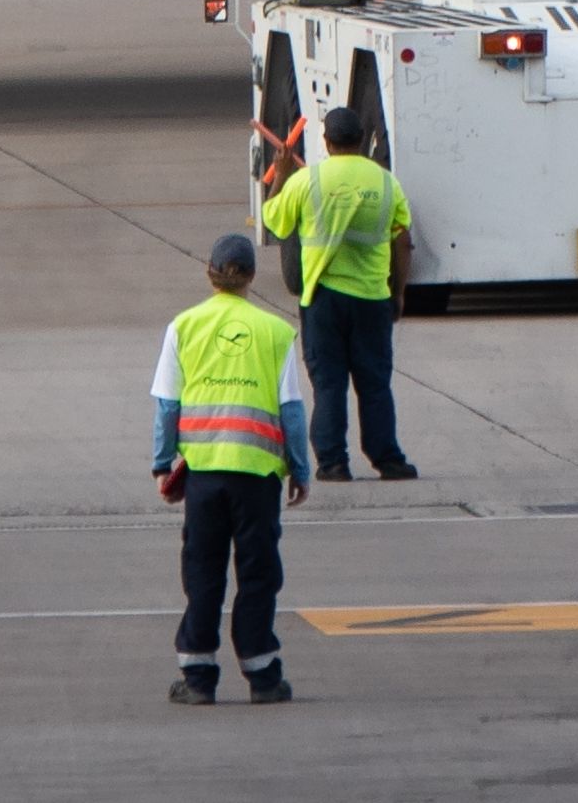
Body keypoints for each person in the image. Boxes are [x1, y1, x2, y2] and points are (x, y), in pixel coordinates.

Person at [151, 229, 310, 705]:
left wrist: (162, 464)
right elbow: (293, 412)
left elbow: (166, 404)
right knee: (258, 573)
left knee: (203, 571)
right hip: (258, 476)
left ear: (209, 274)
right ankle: (262, 674)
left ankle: (198, 676)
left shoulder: (183, 327)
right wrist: (300, 470)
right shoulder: (276, 332)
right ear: (253, 278)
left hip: (203, 474)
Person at [258, 101, 419, 481]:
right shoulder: (385, 181)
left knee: (329, 384)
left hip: (323, 300)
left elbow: (275, 222)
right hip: (371, 298)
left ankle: (333, 463)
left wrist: (280, 175)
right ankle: (388, 459)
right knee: (375, 383)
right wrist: (398, 293)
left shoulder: (307, 180)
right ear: (362, 141)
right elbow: (403, 241)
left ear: (326, 142)